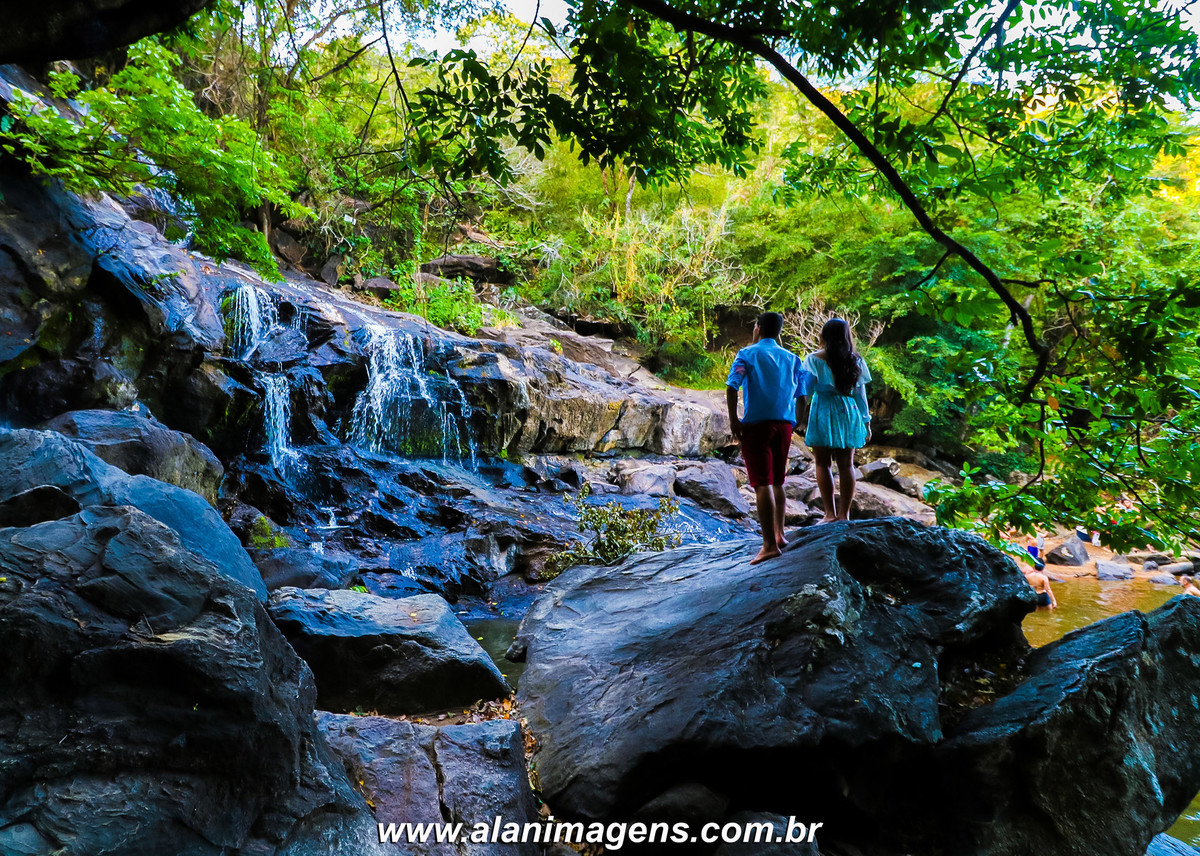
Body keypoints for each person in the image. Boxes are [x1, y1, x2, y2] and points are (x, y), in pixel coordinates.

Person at [726, 312, 812, 565]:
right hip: (784, 425)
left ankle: (769, 545)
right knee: (778, 482)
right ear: (779, 331)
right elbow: (802, 395)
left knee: (762, 484)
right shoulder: (793, 359)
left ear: (758, 328)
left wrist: (734, 421)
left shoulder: (747, 354)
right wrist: (796, 422)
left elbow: (732, 386)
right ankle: (780, 534)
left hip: (757, 426)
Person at [802, 318, 871, 523]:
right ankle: (844, 515)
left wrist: (796, 415)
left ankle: (829, 514)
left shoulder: (813, 360)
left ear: (823, 336)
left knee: (822, 463)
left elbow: (805, 392)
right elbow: (861, 395)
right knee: (847, 464)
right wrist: (866, 422)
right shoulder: (856, 361)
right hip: (848, 410)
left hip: (823, 408)